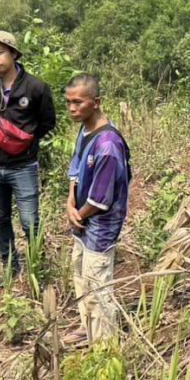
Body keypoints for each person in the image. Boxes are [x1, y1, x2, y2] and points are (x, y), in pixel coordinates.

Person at [0, 31, 57, 286]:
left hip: (23, 166)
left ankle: (38, 266)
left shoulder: (36, 87)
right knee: (0, 219)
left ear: (14, 54)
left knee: (29, 221)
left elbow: (48, 121)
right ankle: (10, 268)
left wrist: (26, 141)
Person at [63, 75, 132, 345]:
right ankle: (87, 326)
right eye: (68, 103)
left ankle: (105, 345)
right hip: (82, 220)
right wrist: (70, 201)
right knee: (80, 273)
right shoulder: (85, 129)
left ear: (96, 102)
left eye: (78, 102)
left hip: (100, 224)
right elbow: (76, 168)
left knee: (97, 282)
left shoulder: (108, 145)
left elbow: (100, 199)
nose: (72, 108)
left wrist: (78, 214)